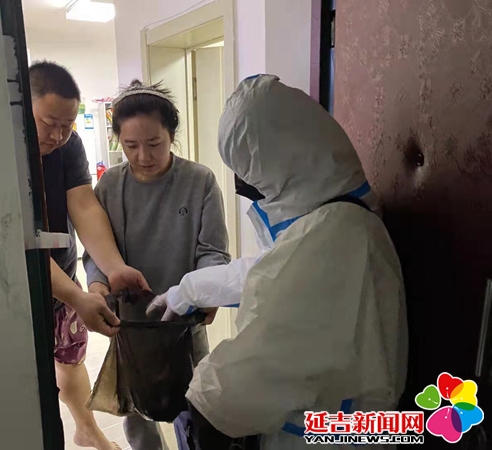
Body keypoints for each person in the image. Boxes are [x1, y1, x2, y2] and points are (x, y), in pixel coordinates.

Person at [148, 74, 408, 449]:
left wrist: (202, 399)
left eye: (249, 172)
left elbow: (263, 361)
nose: (244, 186)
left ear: (284, 159)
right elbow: (270, 272)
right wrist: (186, 291)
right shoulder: (337, 218)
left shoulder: (335, 232)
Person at [82, 79, 231, 450]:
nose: (143, 156)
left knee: (196, 405)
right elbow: (96, 250)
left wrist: (207, 290)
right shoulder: (110, 186)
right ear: (118, 140)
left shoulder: (199, 181)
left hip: (183, 320)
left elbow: (212, 250)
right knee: (136, 410)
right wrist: (97, 285)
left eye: (154, 144)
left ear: (172, 136)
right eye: (131, 146)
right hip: (131, 323)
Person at [30, 61, 150, 450]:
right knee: (30, 377)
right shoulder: (2, 150)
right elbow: (16, 239)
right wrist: (77, 297)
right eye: (49, 123)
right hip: (21, 288)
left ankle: (87, 429)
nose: (58, 135)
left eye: (67, 125)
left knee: (70, 358)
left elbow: (83, 204)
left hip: (62, 275)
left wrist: (114, 268)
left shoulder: (68, 146)